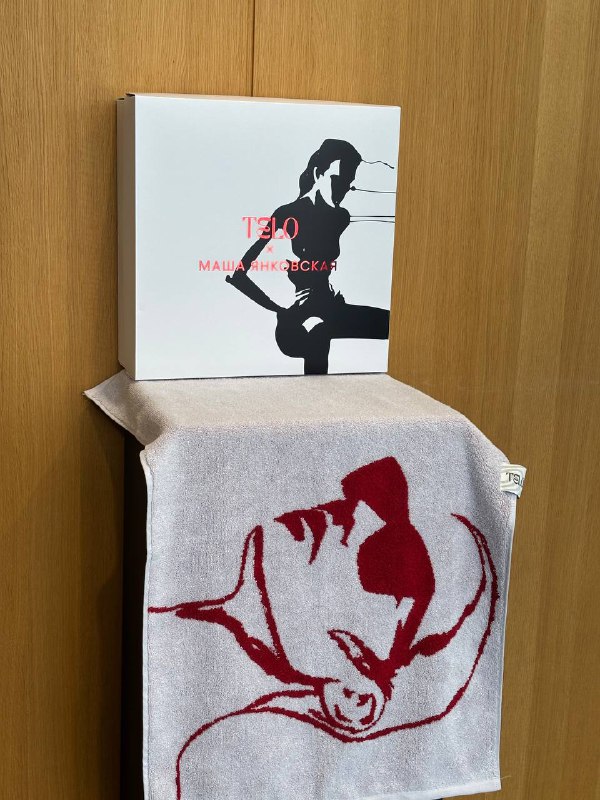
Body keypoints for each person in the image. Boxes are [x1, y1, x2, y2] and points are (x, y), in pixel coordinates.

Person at [226, 139, 390, 374]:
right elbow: (241, 274)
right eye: (338, 179)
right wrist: (282, 303)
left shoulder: (340, 217)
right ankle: (317, 394)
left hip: (331, 309)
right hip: (294, 324)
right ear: (317, 174)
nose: (345, 188)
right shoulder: (286, 215)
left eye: (348, 182)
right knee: (318, 328)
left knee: (393, 324)